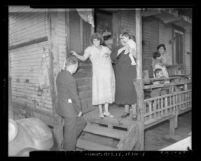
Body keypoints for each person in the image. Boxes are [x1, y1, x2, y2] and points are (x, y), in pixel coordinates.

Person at [71, 33, 115, 118]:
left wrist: (109, 56)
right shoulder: (90, 49)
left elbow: (113, 58)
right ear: (92, 41)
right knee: (99, 91)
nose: (96, 42)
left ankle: (106, 111)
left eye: (97, 40)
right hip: (98, 74)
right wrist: (76, 54)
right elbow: (84, 58)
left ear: (100, 40)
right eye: (94, 40)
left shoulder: (106, 49)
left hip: (107, 72)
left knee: (107, 90)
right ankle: (100, 112)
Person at [55, 55, 87, 151]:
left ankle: (67, 138)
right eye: (76, 67)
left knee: (81, 122)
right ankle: (68, 146)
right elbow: (75, 97)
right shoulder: (70, 79)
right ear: (73, 66)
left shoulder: (60, 74)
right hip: (68, 109)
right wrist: (79, 110)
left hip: (60, 106)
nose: (76, 69)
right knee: (71, 133)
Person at [113, 33, 137, 119]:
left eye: (125, 38)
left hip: (131, 72)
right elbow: (113, 58)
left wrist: (131, 49)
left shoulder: (133, 46)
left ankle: (134, 112)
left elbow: (137, 57)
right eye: (121, 38)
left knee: (131, 90)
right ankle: (126, 111)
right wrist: (123, 48)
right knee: (124, 91)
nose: (123, 40)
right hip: (121, 73)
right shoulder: (118, 48)